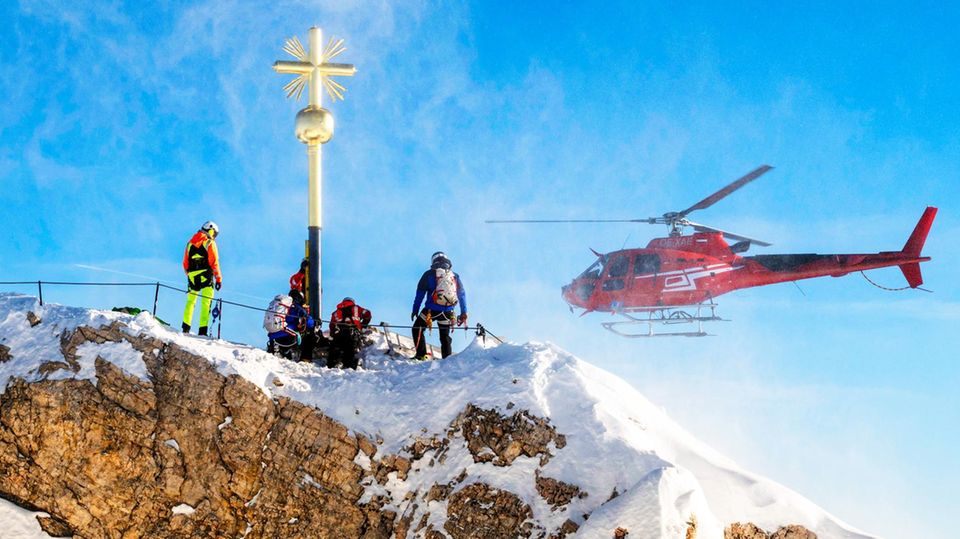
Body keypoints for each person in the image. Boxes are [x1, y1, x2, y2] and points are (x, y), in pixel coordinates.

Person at [411, 251, 467, 360]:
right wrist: (464, 312)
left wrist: (415, 309)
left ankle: (421, 355)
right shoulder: (454, 275)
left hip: (431, 311)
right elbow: (462, 294)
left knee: (417, 328)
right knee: (445, 337)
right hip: (448, 313)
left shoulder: (429, 274)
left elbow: (420, 294)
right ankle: (447, 361)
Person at [182, 221, 222, 336]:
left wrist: (190, 275)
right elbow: (214, 262)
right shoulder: (210, 242)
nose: (214, 236)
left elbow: (185, 263)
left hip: (192, 276)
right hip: (206, 276)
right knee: (206, 303)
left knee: (190, 302)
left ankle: (185, 327)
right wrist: (218, 279)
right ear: (211, 230)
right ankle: (202, 331)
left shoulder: (190, 243)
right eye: (214, 234)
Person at [265, 290, 317, 361]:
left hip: (272, 337)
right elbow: (309, 323)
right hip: (287, 338)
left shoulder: (283, 306)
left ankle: (279, 350)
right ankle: (305, 359)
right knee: (309, 335)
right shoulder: (297, 308)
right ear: (300, 298)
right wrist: (315, 322)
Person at [328, 297, 371, 370]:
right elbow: (368, 313)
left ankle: (332, 365)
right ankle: (349, 367)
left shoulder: (335, 313)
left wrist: (333, 334)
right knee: (351, 349)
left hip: (339, 334)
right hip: (353, 333)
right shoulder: (356, 308)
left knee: (335, 348)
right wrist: (363, 325)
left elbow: (332, 325)